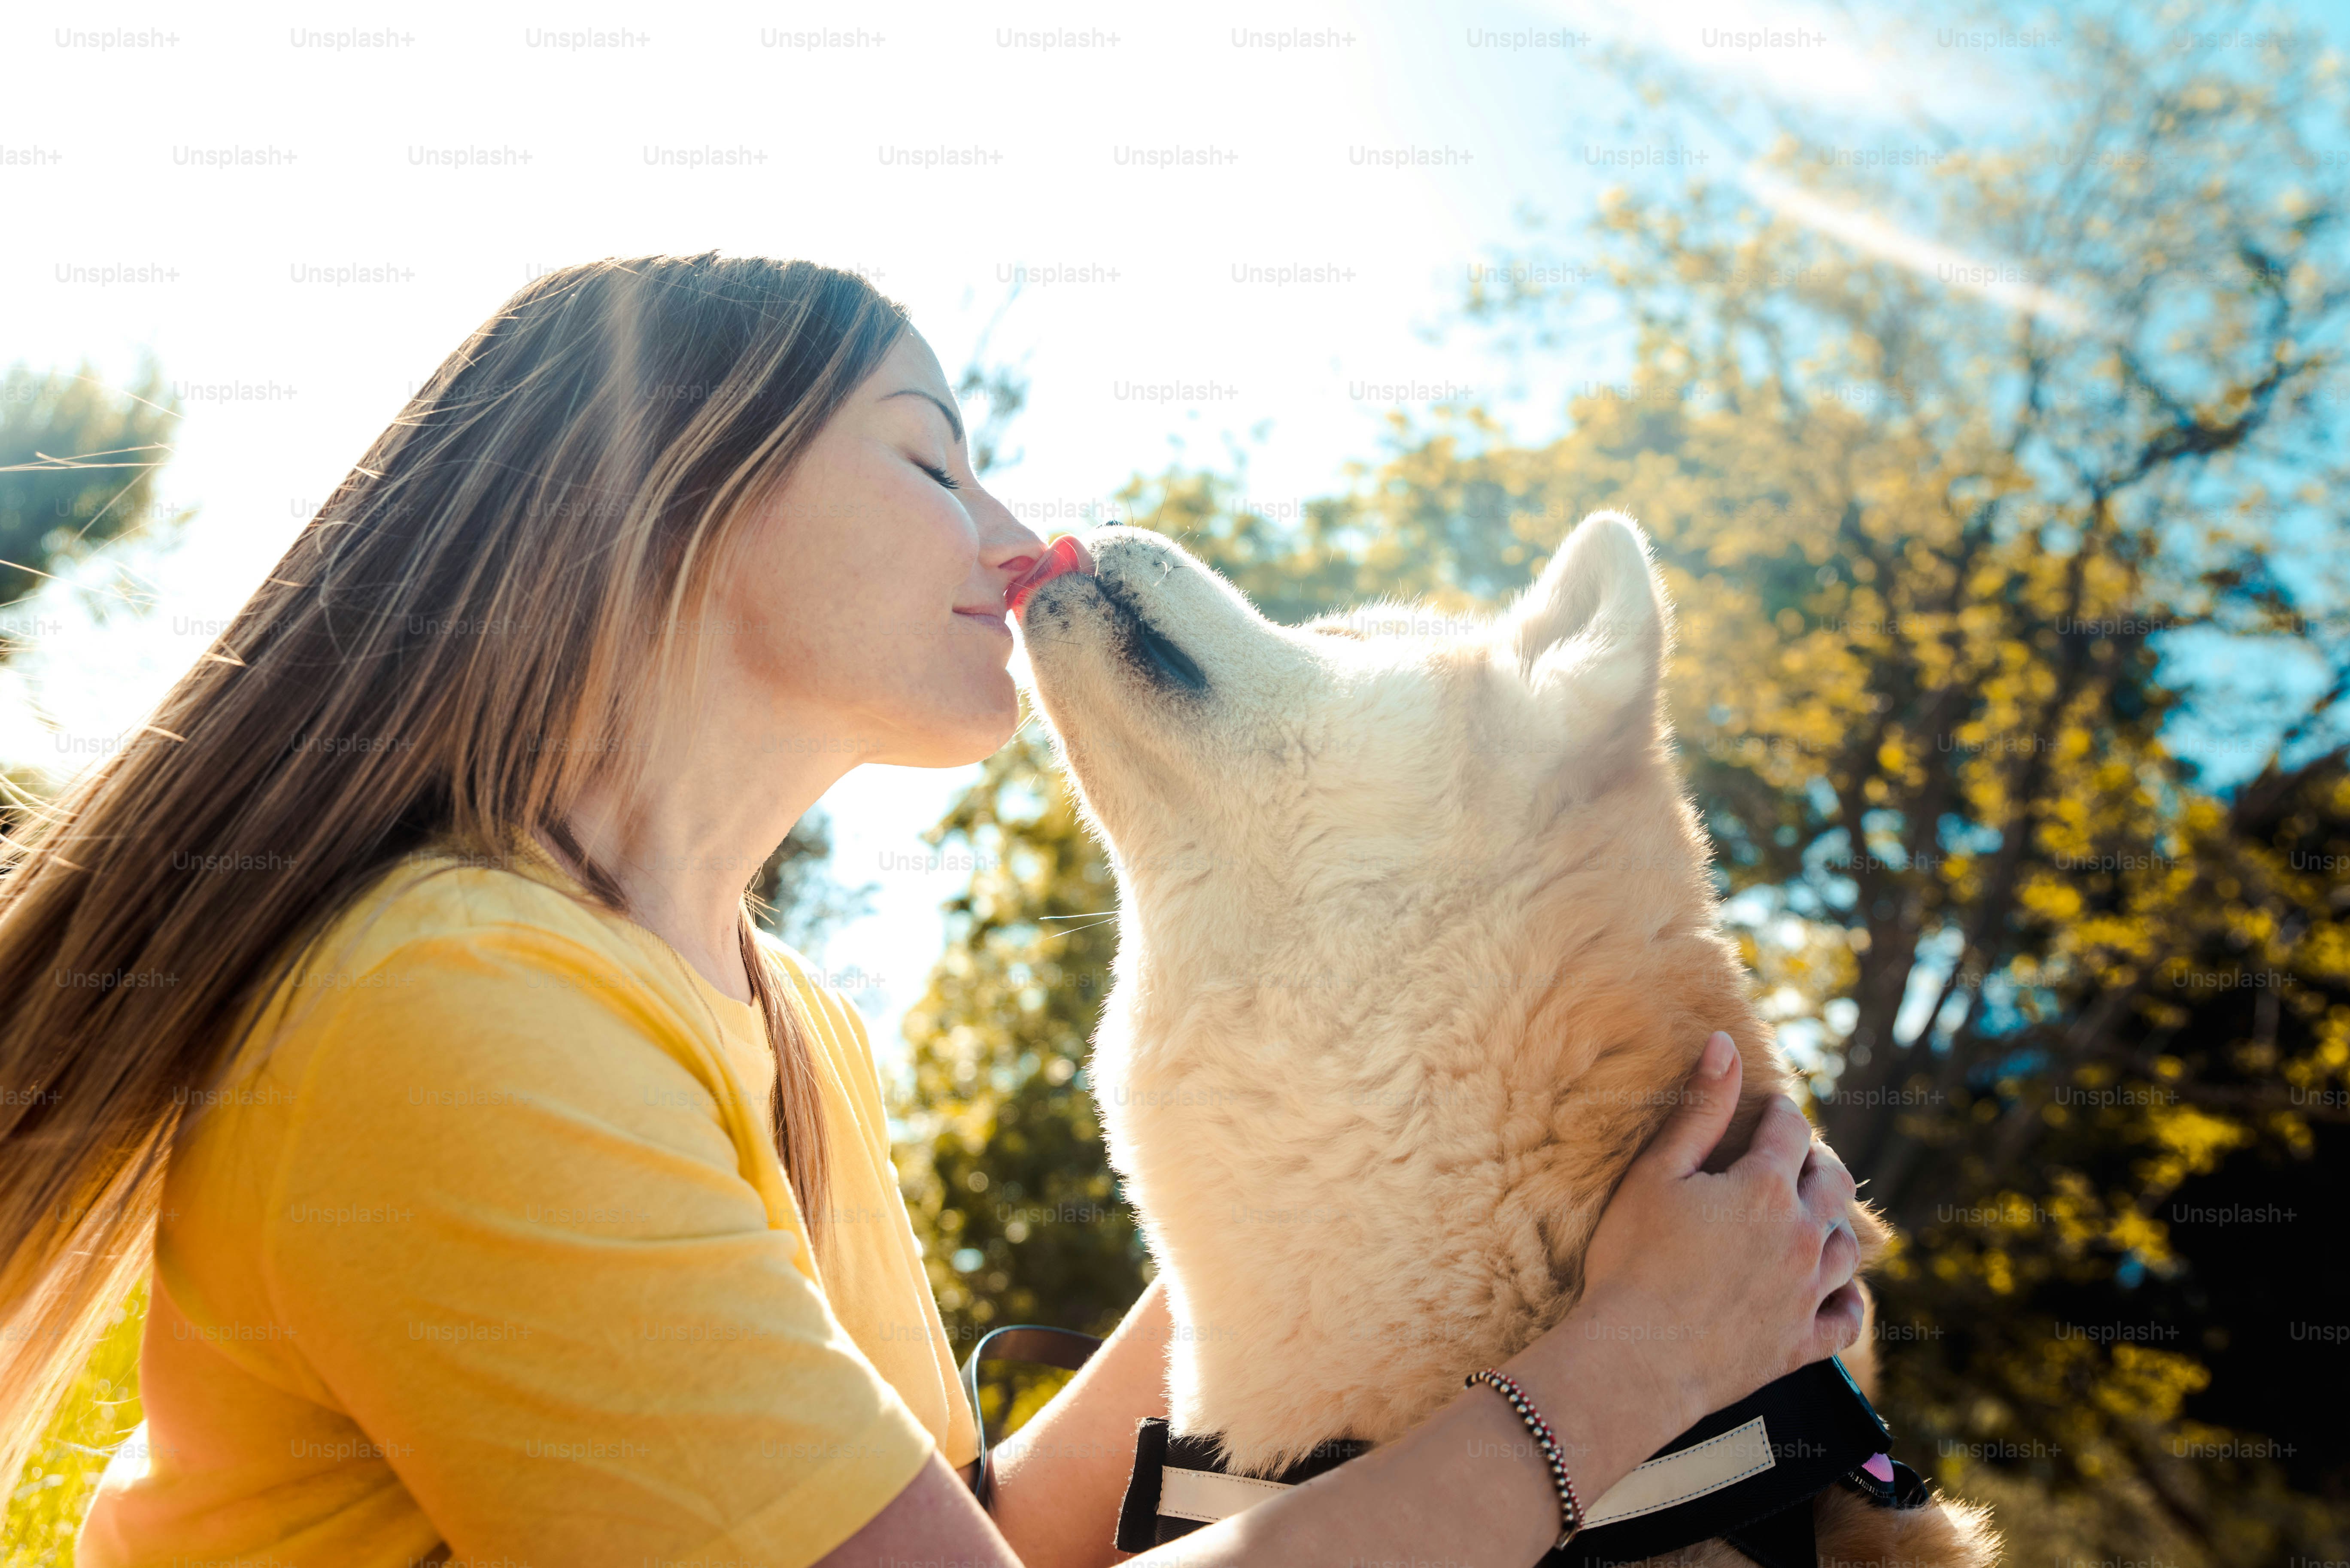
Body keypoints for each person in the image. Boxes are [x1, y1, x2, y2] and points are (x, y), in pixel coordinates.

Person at [0, 254, 1863, 1568]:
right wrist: (1622, 1371)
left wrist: (1394, 1208)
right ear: (665, 487)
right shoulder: (454, 1008)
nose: (1014, 533)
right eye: (930, 457)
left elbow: (968, 1539)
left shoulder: (781, 1015)